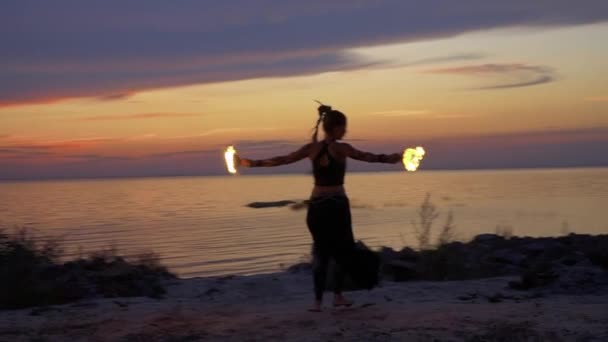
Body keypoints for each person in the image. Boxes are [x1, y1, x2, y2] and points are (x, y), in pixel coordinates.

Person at [236, 105, 402, 312]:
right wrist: (396, 158)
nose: (345, 132)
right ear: (335, 128)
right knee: (342, 251)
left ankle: (318, 302)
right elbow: (370, 157)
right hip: (337, 207)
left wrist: (249, 163)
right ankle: (337, 296)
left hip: (316, 208)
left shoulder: (311, 149)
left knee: (321, 252)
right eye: (343, 127)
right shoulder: (342, 148)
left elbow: (281, 160)